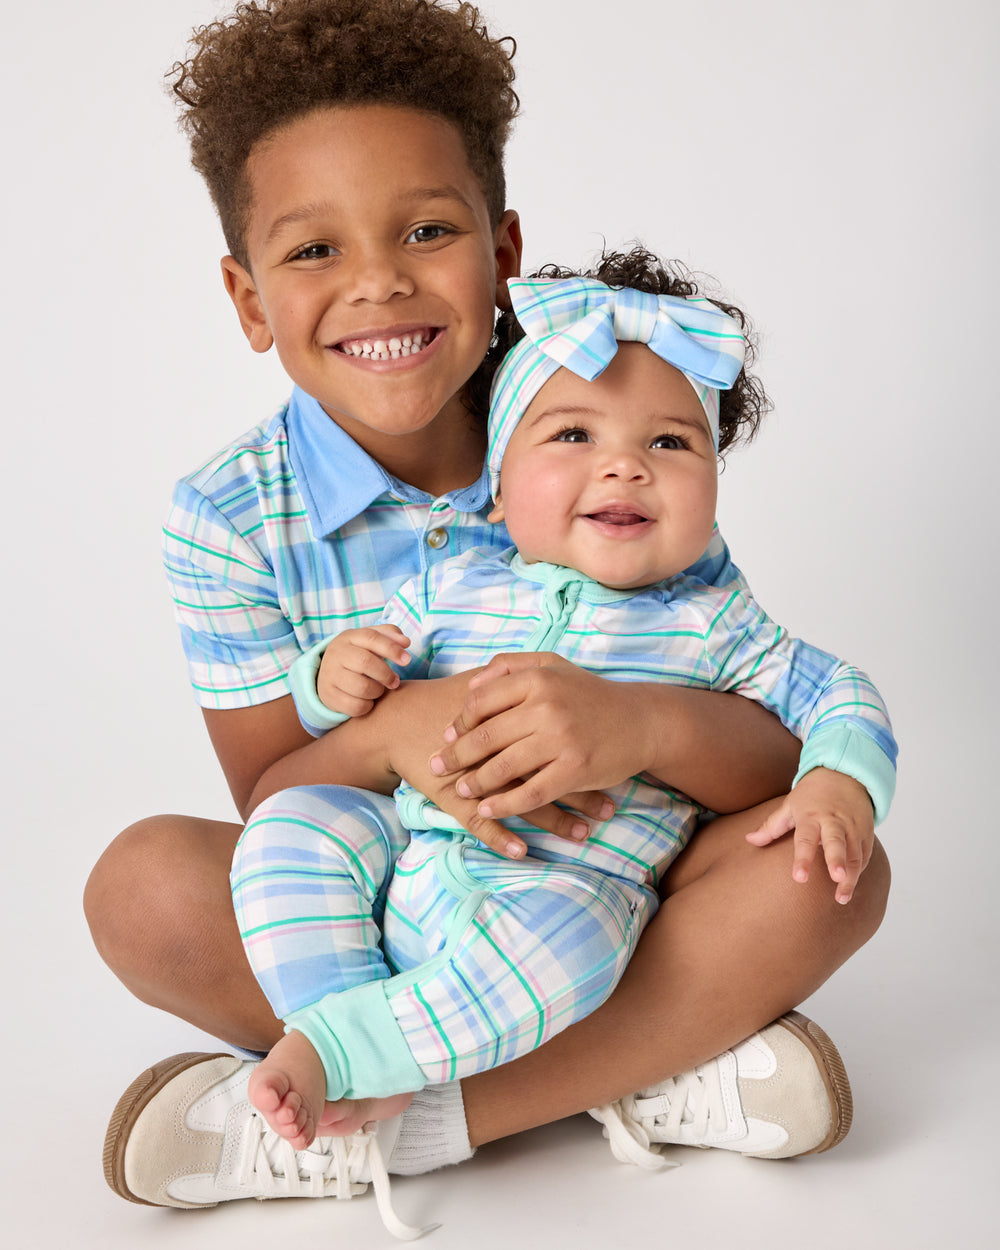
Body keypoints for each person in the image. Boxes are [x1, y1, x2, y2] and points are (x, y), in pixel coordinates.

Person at [85, 0, 891, 1230]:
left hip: (594, 892)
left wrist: (633, 727)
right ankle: (642, 1061)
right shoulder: (225, 515)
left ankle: (387, 1117)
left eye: (426, 228)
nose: (378, 282)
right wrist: (400, 725)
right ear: (248, 300)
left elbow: (770, 746)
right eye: (312, 253)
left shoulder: (601, 439)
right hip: (379, 895)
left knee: (830, 869)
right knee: (142, 882)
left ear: (503, 249)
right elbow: (272, 796)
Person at [231, 259, 895, 1174]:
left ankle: (371, 1071)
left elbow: (837, 690)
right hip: (410, 875)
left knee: (572, 939)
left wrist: (838, 779)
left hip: (564, 895)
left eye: (670, 444)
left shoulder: (716, 621)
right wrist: (326, 677)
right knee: (294, 824)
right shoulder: (450, 586)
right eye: (573, 434)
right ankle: (341, 1021)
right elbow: (350, 697)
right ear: (498, 491)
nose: (623, 464)